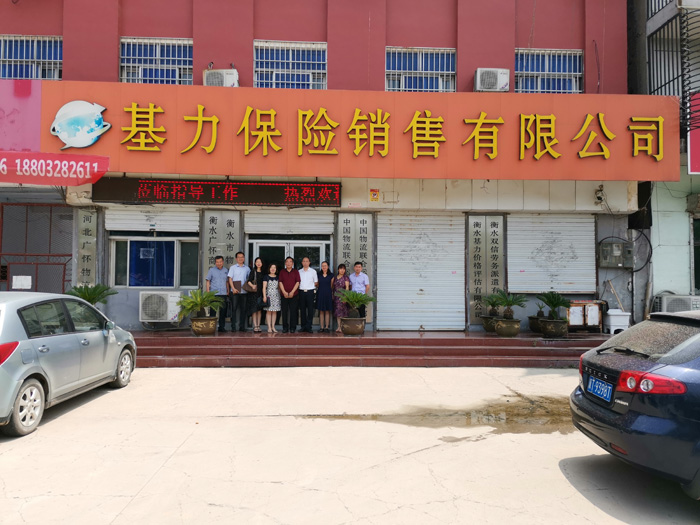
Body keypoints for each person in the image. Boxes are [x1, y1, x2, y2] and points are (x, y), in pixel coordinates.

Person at [227, 251, 250, 332]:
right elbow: (230, 279)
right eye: (239, 257)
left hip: (244, 292)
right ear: (236, 259)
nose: (241, 258)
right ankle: (233, 327)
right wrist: (233, 288)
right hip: (235, 292)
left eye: (242, 257)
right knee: (234, 309)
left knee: (243, 310)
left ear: (244, 258)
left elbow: (249, 280)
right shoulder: (233, 268)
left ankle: (242, 327)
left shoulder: (247, 268)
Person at [205, 255, 229, 333]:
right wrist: (208, 291)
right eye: (217, 262)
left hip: (223, 293)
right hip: (214, 293)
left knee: (223, 311)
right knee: (213, 311)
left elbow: (227, 282)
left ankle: (221, 327)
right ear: (215, 262)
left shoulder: (226, 270)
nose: (219, 263)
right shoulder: (211, 270)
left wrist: (228, 290)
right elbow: (208, 280)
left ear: (223, 262)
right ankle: (212, 327)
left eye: (220, 262)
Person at [278, 256, 300, 333]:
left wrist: (292, 292)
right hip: (284, 295)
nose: (288, 263)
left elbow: (297, 282)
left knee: (293, 311)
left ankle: (292, 327)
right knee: (284, 312)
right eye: (287, 261)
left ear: (292, 263)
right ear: (285, 263)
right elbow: (280, 282)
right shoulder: (282, 272)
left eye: (290, 261)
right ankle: (285, 327)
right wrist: (284, 292)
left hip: (294, 295)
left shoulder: (296, 272)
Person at [298, 256, 318, 333]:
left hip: (310, 292)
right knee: (302, 310)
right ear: (302, 263)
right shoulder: (299, 272)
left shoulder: (313, 271)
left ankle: (309, 326)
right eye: (304, 261)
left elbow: (316, 283)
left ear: (309, 262)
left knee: (310, 310)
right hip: (301, 292)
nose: (305, 263)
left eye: (307, 261)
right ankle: (303, 326)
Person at [246, 257, 265, 332]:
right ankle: (255, 326)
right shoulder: (253, 271)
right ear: (255, 263)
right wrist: (252, 286)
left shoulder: (263, 272)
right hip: (253, 293)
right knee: (254, 310)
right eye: (257, 262)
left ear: (262, 263)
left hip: (261, 293)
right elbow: (249, 281)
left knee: (259, 310)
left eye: (260, 262)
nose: (258, 263)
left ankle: (258, 325)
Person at [332, 263, 351, 333]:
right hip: (336, 298)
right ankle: (339, 327)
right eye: (341, 269)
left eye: (343, 269)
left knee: (343, 313)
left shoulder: (346, 278)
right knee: (337, 313)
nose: (342, 270)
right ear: (338, 270)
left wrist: (345, 297)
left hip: (342, 297)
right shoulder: (335, 278)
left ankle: (343, 327)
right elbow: (332, 287)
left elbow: (347, 288)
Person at [262, 262, 281, 333]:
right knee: (269, 311)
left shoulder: (278, 277)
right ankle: (269, 327)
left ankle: (273, 327)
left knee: (274, 311)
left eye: (274, 268)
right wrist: (264, 296)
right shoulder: (266, 277)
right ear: (269, 269)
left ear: (276, 269)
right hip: (269, 295)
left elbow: (279, 287)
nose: (273, 269)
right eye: (271, 267)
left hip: (276, 295)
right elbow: (264, 287)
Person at [316, 261, 333, 333]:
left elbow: (332, 286)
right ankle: (321, 327)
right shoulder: (318, 275)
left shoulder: (331, 275)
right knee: (321, 311)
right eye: (322, 266)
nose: (324, 267)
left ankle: (326, 327)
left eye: (325, 265)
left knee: (327, 311)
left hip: (328, 294)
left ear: (328, 266)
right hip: (320, 293)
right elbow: (317, 284)